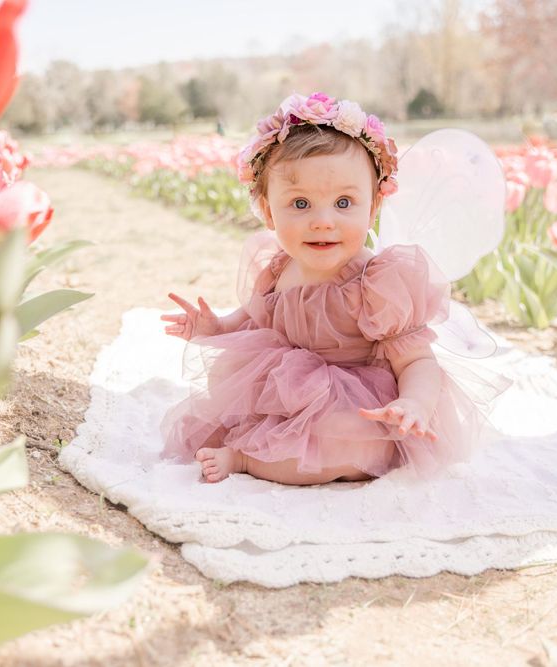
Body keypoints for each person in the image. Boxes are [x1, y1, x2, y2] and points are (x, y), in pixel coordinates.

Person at [160, 92, 490, 485]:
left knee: (354, 445)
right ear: (268, 211)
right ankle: (249, 449)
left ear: (372, 209)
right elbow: (256, 315)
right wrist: (217, 328)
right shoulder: (279, 266)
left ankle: (247, 459)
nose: (322, 221)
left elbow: (416, 361)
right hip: (285, 392)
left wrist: (413, 404)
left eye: (344, 203)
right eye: (300, 204)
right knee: (229, 402)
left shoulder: (378, 283)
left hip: (358, 400)